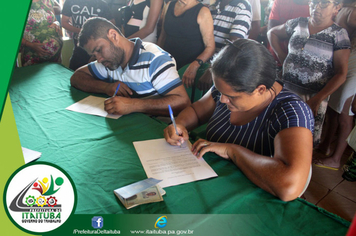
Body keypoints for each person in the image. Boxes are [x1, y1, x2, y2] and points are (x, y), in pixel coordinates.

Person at [164, 39, 314, 201]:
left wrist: (232, 151)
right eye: (220, 92)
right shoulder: (228, 86)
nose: (222, 100)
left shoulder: (291, 111)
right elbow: (197, 111)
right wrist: (180, 124)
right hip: (213, 185)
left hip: (252, 200)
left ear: (260, 89)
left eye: (231, 97)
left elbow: (289, 187)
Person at [268, 0, 351, 146]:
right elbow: (272, 33)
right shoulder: (298, 23)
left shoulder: (338, 34)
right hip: (286, 90)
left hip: (312, 98)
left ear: (337, 8)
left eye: (324, 3)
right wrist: (283, 58)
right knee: (276, 131)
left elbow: (341, 73)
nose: (317, 7)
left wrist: (317, 99)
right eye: (314, 2)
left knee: (302, 140)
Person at [70, 17, 190, 117]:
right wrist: (106, 87)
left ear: (113, 35)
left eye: (99, 50)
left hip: (157, 130)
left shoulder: (155, 59)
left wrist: (133, 105)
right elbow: (76, 77)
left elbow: (183, 102)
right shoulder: (110, 61)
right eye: (94, 55)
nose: (99, 59)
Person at [316, 0, 356, 170]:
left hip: (353, 65)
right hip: (347, 58)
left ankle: (336, 158)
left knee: (345, 113)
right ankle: (325, 146)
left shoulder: (352, 12)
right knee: (333, 109)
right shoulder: (345, 8)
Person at [157, 0, 215, 88]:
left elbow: (210, 47)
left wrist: (194, 65)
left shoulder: (203, 11)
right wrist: (156, 57)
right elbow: (163, 35)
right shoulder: (169, 5)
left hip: (188, 69)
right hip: (167, 64)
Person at [197, 0, 253, 91]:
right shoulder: (213, 7)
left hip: (224, 66)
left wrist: (211, 69)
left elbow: (233, 45)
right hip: (205, 62)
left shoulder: (242, 6)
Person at [61, 0, 115, 71]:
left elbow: (111, 23)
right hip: (78, 48)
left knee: (94, 76)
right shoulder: (70, 2)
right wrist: (82, 31)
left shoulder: (101, 3)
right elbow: (64, 22)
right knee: (74, 73)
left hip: (97, 50)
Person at [267, 0, 310, 71]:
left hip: (300, 66)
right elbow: (271, 31)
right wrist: (282, 58)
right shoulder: (280, 2)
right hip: (275, 60)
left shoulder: (316, 9)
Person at [21, 0, 63, 67]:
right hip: (32, 54)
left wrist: (56, 23)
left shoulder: (48, 1)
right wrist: (31, 45)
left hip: (55, 56)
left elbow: (54, 19)